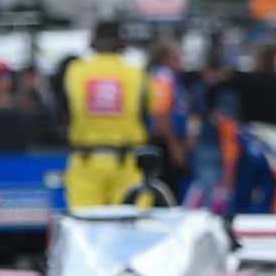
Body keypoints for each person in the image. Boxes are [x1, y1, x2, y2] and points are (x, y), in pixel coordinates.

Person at [63, 20, 151, 209]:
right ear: (122, 43)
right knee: (130, 227)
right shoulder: (136, 74)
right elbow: (150, 112)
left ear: (93, 42)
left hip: (85, 161)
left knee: (86, 229)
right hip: (128, 163)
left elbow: (63, 112)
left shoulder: (76, 71)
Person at [143, 35, 192, 196]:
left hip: (170, 141)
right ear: (165, 57)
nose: (182, 60)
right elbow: (161, 114)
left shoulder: (170, 77)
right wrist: (174, 147)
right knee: (167, 193)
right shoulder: (163, 76)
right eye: (178, 55)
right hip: (165, 144)